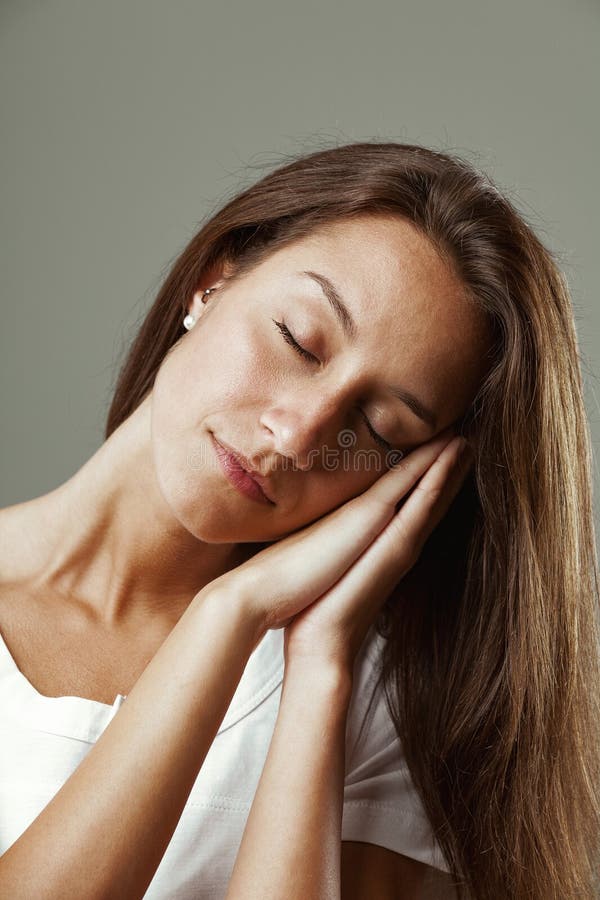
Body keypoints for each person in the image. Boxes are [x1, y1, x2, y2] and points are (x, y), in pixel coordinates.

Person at [0, 141, 598, 900]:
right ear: (210, 283)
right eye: (299, 340)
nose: (300, 434)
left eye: (378, 427)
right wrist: (232, 611)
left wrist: (303, 660)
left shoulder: (379, 713)